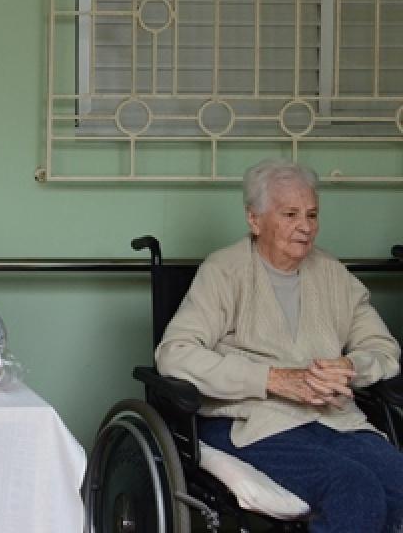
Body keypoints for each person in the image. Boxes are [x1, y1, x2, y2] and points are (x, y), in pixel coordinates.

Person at [156, 158, 403, 532]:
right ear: (254, 220)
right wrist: (272, 379)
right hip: (253, 422)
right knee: (355, 488)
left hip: (335, 419)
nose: (305, 227)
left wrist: (352, 367)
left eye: (312, 214)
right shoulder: (225, 271)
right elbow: (175, 355)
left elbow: (382, 348)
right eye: (290, 214)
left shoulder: (333, 274)